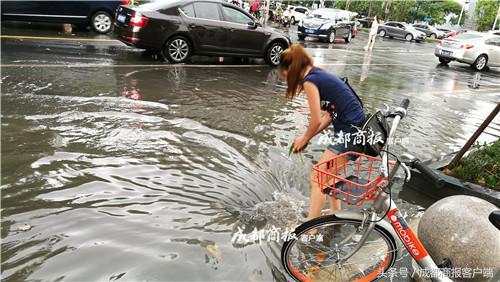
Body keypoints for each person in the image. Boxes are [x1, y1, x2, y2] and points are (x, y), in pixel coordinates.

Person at [278, 44, 365, 220]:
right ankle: (335, 216)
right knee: (328, 178)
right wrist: (307, 138)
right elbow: (330, 115)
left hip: (350, 133)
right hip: (356, 130)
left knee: (317, 178)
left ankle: (310, 230)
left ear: (292, 69)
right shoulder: (318, 73)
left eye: (286, 74)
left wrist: (304, 138)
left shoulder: (310, 81)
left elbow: (316, 119)